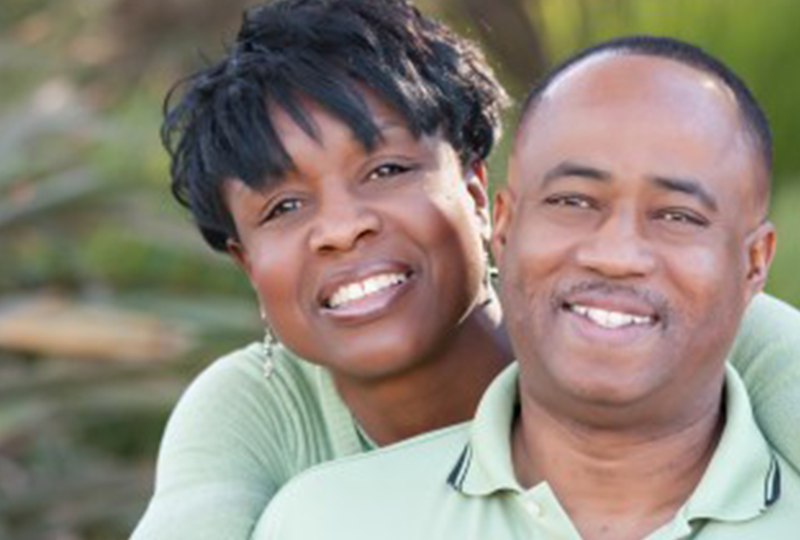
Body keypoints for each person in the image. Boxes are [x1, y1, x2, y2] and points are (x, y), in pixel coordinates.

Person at [130, 0, 800, 537]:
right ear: (247, 263)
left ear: (482, 196)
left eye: (386, 170)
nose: (341, 228)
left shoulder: (691, 324)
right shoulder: (263, 418)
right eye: (282, 206)